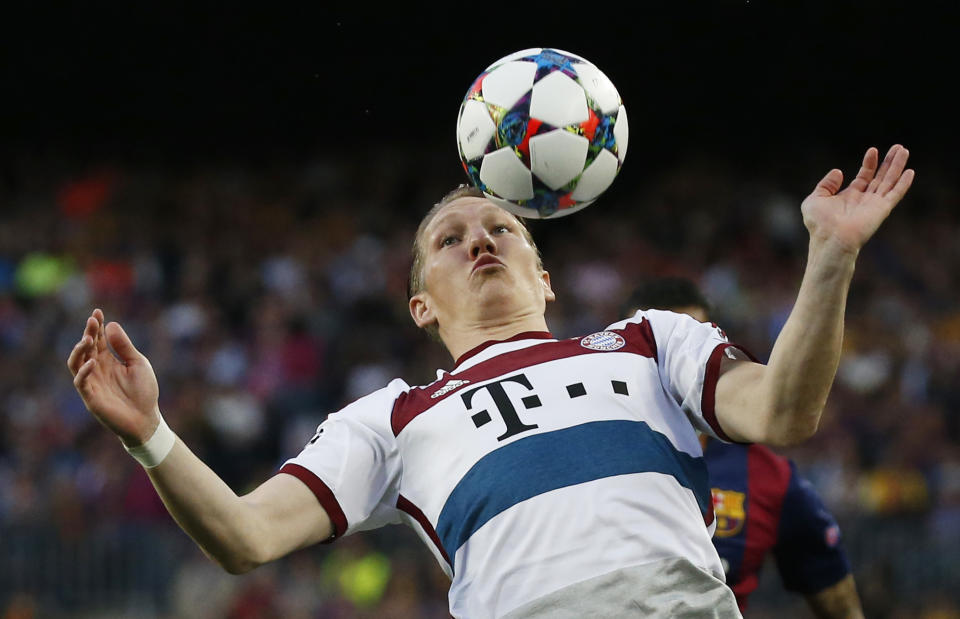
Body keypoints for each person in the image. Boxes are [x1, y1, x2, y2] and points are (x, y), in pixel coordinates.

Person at [67, 145, 913, 618]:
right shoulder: (392, 418)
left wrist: (831, 258)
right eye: (450, 238)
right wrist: (151, 435)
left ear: (544, 277)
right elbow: (244, 537)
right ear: (420, 306)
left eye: (501, 226)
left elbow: (785, 410)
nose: (480, 240)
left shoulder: (650, 342)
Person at [622, 276, 865, 618]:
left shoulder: (771, 479)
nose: (673, 366)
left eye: (688, 344)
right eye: (655, 350)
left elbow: (838, 602)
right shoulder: (575, 451)